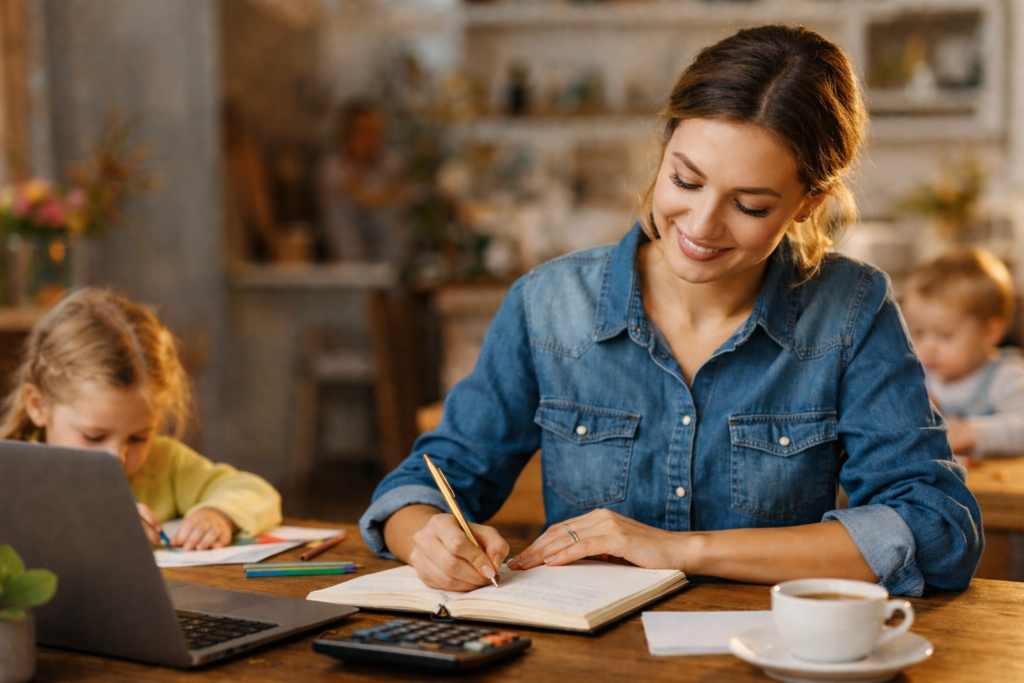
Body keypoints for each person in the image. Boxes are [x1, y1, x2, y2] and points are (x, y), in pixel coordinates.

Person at [360, 24, 982, 597]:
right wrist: (427, 539)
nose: (702, 226)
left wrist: (678, 550)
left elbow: (936, 528)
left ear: (805, 206)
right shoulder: (547, 304)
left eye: (751, 205)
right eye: (686, 182)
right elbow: (419, 487)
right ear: (664, 152)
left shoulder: (851, 310)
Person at [0, 288, 282, 550]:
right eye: (94, 436)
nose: (116, 456)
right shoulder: (15, 474)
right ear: (38, 406)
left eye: (138, 437)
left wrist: (217, 515)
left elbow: (257, 493)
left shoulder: (165, 463)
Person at [902, 248, 1024, 458]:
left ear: (990, 333)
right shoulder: (920, 378)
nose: (928, 347)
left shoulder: (1007, 376)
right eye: (918, 333)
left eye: (945, 335)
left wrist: (972, 434)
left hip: (996, 489)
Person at [317, 100, 411, 263]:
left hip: (393, 265)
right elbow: (359, 198)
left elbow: (406, 197)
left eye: (378, 130)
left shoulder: (392, 166)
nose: (372, 137)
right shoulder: (332, 170)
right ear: (346, 134)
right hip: (349, 267)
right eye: (364, 130)